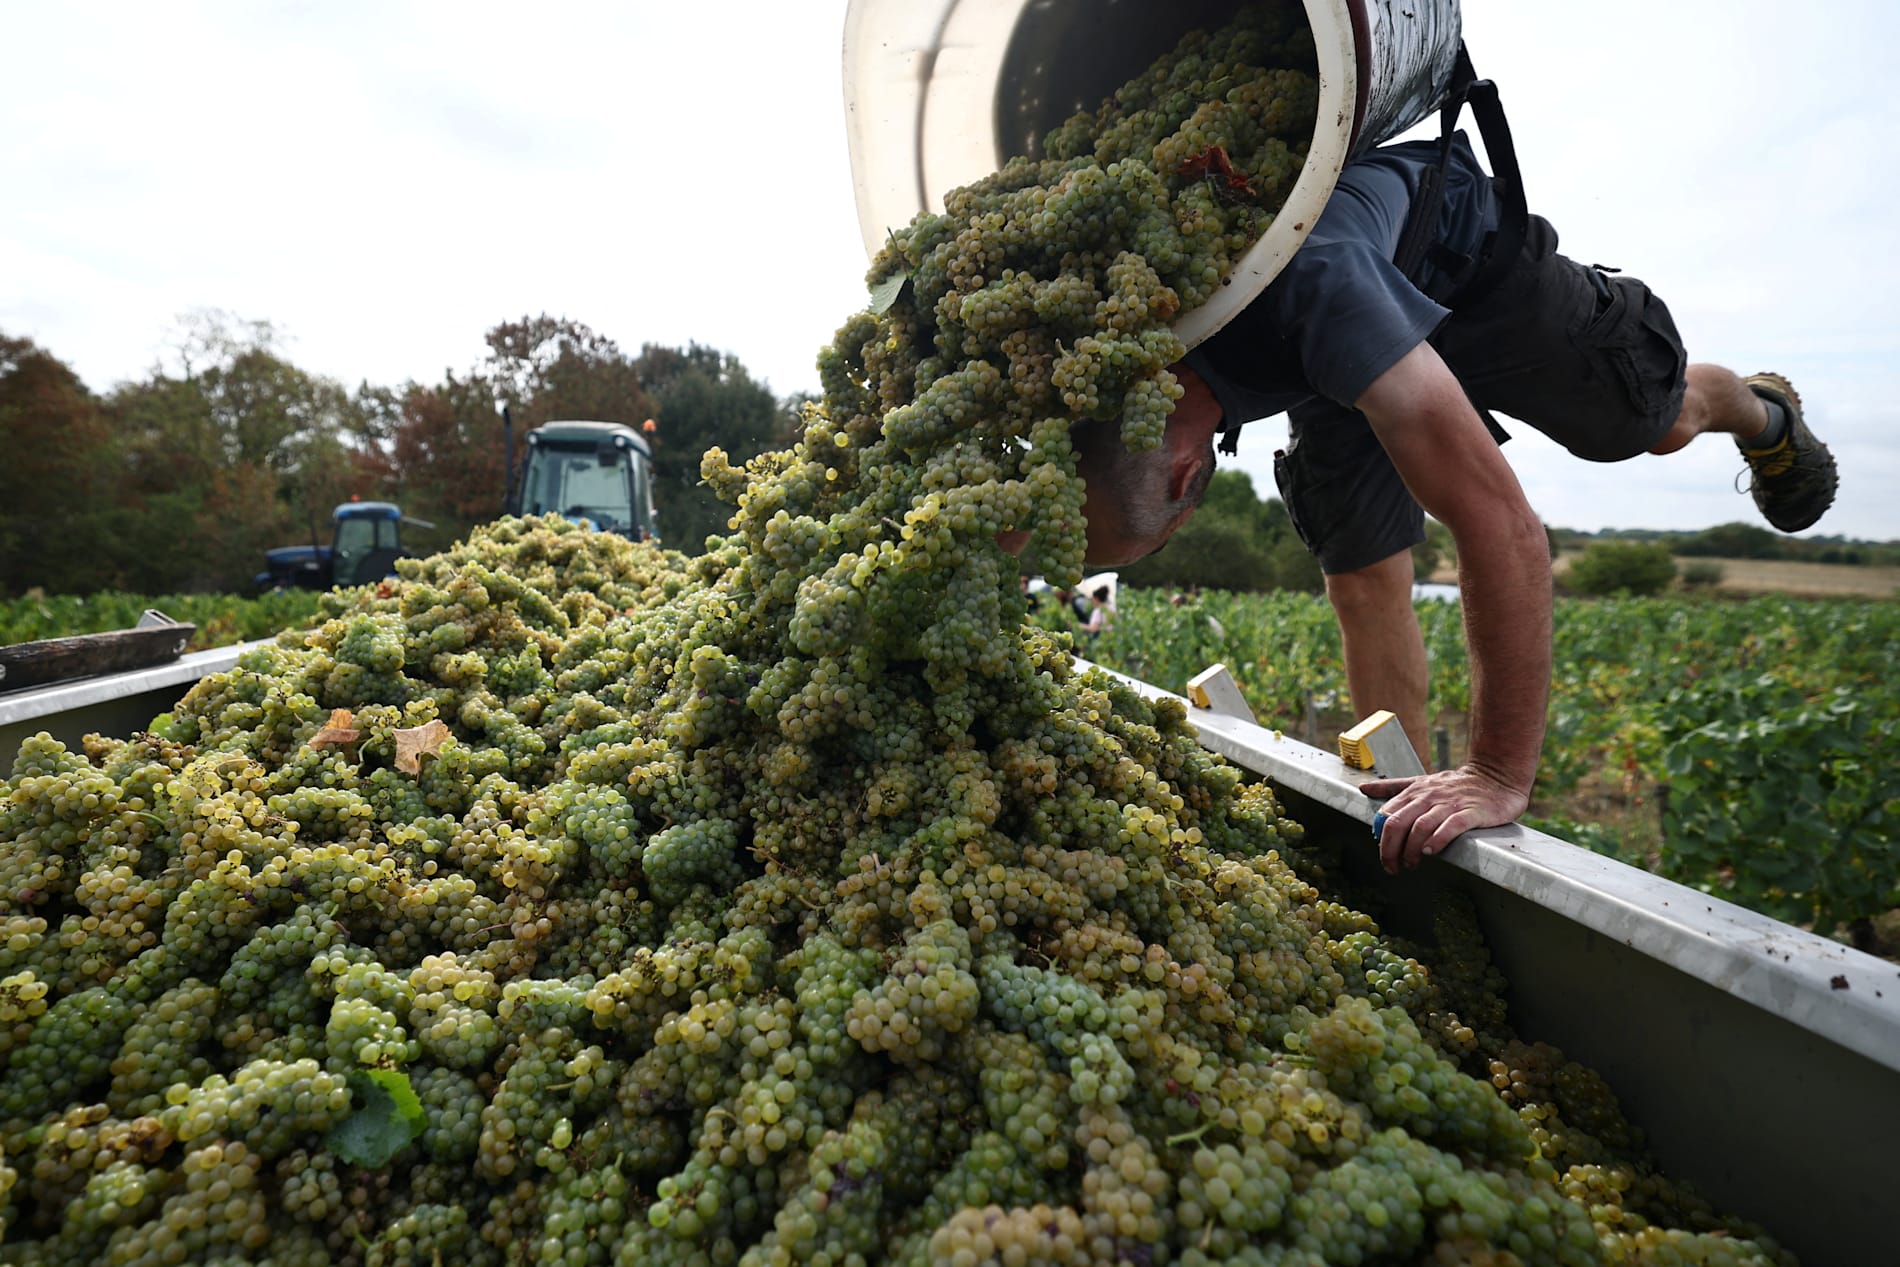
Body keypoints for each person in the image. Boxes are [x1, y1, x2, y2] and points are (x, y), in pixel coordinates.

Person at [1060, 129, 1838, 877]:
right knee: (1359, 570)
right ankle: (1406, 820)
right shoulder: (1092, 338)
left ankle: (1763, 411)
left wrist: (1497, 772)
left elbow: (1501, 525)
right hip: (1317, 338)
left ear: (1182, 477)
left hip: (1457, 263)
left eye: (1167, 533)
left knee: (1654, 424)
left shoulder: (1323, 295)